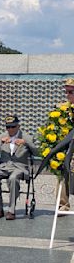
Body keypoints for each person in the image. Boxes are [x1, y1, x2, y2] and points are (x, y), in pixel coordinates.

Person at [0, 115, 38, 220]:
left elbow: (38, 152)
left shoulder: (26, 137)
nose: (10, 129)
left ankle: (11, 210)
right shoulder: (2, 136)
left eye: (13, 126)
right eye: (8, 127)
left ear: (18, 126)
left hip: (19, 166)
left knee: (13, 178)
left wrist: (26, 143)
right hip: (4, 166)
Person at [57, 77, 74, 215]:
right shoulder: (61, 108)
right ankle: (62, 204)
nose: (67, 95)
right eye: (66, 92)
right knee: (62, 173)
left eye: (71, 92)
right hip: (65, 147)